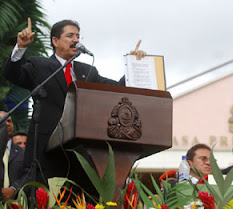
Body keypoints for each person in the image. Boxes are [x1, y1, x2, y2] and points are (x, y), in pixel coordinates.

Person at [3, 18, 146, 186]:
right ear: (55, 41)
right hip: (45, 149)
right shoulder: (39, 65)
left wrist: (132, 64)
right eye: (70, 35)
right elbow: (14, 74)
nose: (76, 40)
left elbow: (115, 89)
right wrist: (21, 48)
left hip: (79, 151)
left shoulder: (88, 71)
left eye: (78, 36)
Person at [0, 111, 25, 200]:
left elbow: (28, 174)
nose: (7, 124)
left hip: (16, 201)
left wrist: (14, 189)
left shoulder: (22, 152)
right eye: (3, 121)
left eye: (9, 121)